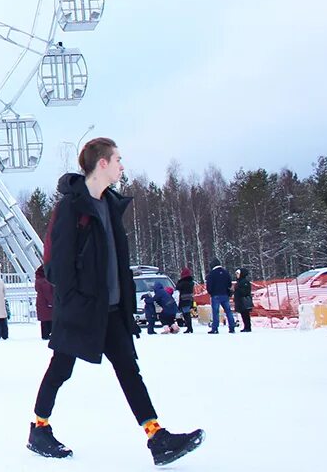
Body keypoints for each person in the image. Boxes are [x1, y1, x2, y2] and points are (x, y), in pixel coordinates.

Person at [27, 137, 203, 465]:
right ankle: (39, 427)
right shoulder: (72, 207)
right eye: (118, 159)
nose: (122, 165)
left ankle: (157, 437)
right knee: (61, 369)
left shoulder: (109, 203)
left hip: (110, 309)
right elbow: (58, 264)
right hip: (81, 309)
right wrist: (75, 300)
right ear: (102, 163)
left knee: (128, 369)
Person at [206, 261, 235, 334]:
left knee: (215, 312)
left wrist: (211, 292)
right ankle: (232, 327)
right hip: (225, 295)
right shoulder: (225, 272)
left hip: (215, 295)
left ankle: (215, 328)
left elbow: (209, 285)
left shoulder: (211, 274)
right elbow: (229, 284)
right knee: (228, 311)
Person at [35, 266, 54, 340]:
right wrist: (51, 302)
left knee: (44, 320)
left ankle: (44, 334)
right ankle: (49, 334)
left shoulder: (38, 280)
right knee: (50, 319)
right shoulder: (45, 281)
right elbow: (48, 293)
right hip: (46, 304)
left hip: (40, 302)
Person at [175, 269, 195, 334]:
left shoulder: (182, 282)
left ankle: (189, 328)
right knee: (187, 314)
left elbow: (177, 287)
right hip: (190, 299)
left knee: (186, 314)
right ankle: (189, 328)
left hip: (184, 299)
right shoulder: (191, 282)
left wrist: (179, 281)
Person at [233, 268, 253, 332]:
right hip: (240, 300)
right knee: (243, 314)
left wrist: (237, 290)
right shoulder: (240, 281)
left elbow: (245, 291)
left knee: (245, 314)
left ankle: (248, 327)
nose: (237, 275)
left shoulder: (244, 282)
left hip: (243, 300)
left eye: (238, 274)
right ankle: (246, 327)